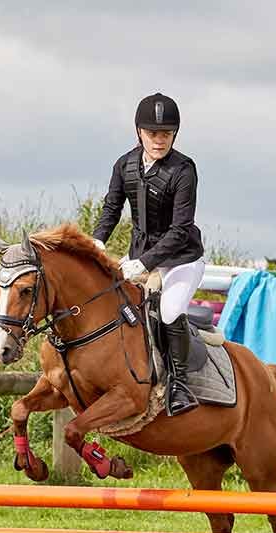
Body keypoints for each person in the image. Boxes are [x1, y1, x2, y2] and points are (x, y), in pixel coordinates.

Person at [92, 92, 205, 416]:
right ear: (139, 132)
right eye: (153, 133)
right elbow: (112, 208)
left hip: (182, 260)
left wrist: (143, 263)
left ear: (174, 134)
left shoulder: (184, 169)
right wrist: (97, 241)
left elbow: (180, 229)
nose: (159, 140)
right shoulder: (124, 164)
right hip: (139, 259)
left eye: (166, 133)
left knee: (169, 311)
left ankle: (179, 386)